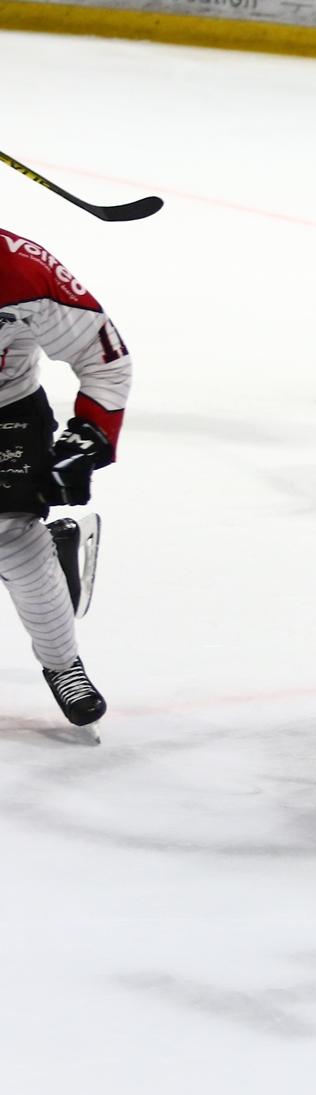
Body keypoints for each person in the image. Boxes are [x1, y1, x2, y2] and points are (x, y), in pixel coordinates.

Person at [0, 228, 129, 728]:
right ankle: (58, 555)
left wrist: (89, 438)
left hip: (6, 408)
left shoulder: (23, 270)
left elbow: (104, 360)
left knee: (9, 535)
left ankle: (62, 663)